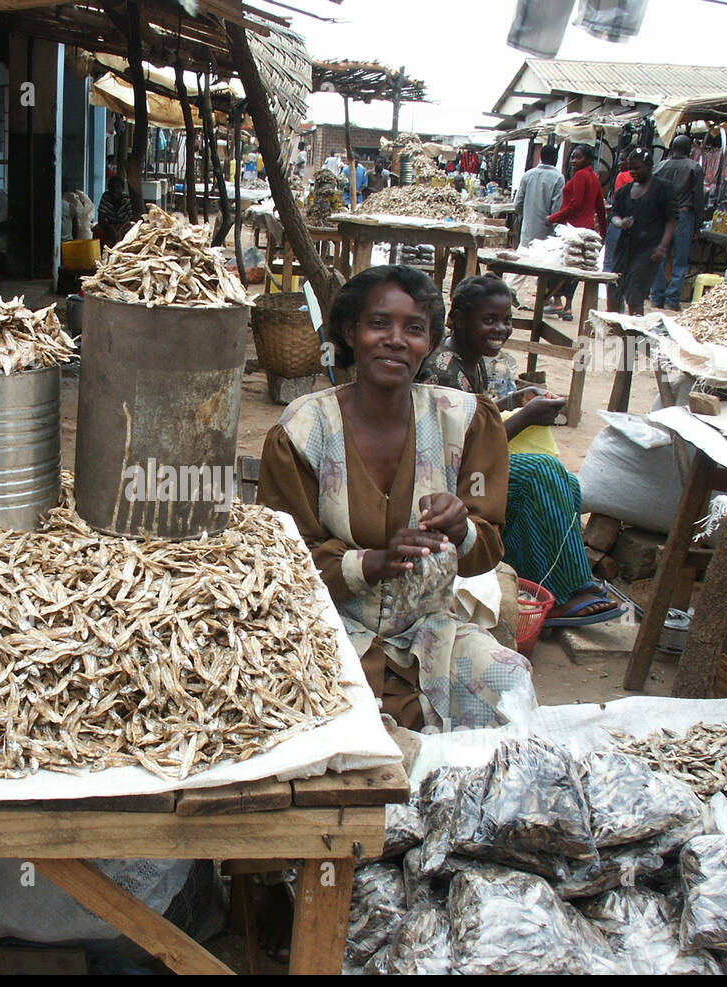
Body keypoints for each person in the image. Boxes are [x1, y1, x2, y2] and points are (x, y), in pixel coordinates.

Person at [257, 265, 535, 732]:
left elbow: (486, 547)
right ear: (350, 331)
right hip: (331, 627)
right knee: (301, 714)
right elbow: (279, 559)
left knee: (509, 685)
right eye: (379, 324)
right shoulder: (303, 430)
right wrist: (372, 563)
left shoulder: (465, 422)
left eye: (414, 329)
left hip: (431, 631)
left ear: (429, 343)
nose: (396, 340)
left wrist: (461, 526)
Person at [418, 275, 628, 627]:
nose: (500, 329)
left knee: (569, 485)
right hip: (442, 482)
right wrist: (524, 419)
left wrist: (509, 402)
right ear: (457, 319)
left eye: (506, 321)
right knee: (539, 473)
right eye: (489, 320)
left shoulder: (474, 360)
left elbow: (473, 418)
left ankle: (545, 576)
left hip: (471, 471)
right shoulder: (440, 369)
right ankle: (564, 593)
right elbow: (450, 447)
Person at [609, 147, 677, 316]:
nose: (633, 171)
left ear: (648, 166)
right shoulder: (624, 191)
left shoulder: (663, 189)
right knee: (614, 291)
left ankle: (634, 338)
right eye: (631, 167)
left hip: (648, 251)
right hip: (624, 250)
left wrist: (662, 246)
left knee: (635, 296)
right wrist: (620, 223)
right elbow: (614, 214)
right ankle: (612, 335)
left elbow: (671, 219)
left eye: (637, 168)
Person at [547, 144, 608, 320]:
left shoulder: (581, 176)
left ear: (588, 159)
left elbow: (575, 205)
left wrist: (553, 218)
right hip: (587, 230)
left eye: (578, 157)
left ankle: (557, 301)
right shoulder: (594, 178)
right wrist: (602, 232)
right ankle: (567, 307)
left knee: (558, 264)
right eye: (572, 157)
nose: (573, 161)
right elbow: (600, 207)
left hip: (572, 229)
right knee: (576, 268)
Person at [649, 134, 705, 311]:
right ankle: (672, 300)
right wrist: (698, 224)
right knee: (680, 260)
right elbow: (698, 198)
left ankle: (656, 297)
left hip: (662, 217)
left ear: (672, 148)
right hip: (683, 215)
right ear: (689, 150)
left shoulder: (660, 166)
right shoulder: (694, 168)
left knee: (660, 257)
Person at [515, 144, 565, 248]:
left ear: (541, 157)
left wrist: (527, 216)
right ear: (555, 158)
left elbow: (518, 204)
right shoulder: (558, 178)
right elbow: (556, 208)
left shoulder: (528, 175)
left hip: (527, 232)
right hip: (546, 235)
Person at [602, 150, 635, 281]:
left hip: (619, 221)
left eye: (623, 159)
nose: (620, 163)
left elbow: (617, 200)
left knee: (610, 259)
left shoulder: (622, 176)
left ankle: (608, 285)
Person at [93, 175, 133, 247]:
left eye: (118, 187)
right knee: (97, 230)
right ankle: (99, 253)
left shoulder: (126, 199)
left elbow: (131, 218)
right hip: (109, 225)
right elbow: (101, 217)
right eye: (112, 187)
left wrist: (120, 230)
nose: (115, 190)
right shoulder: (106, 197)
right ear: (109, 188)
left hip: (123, 225)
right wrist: (110, 229)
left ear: (122, 189)